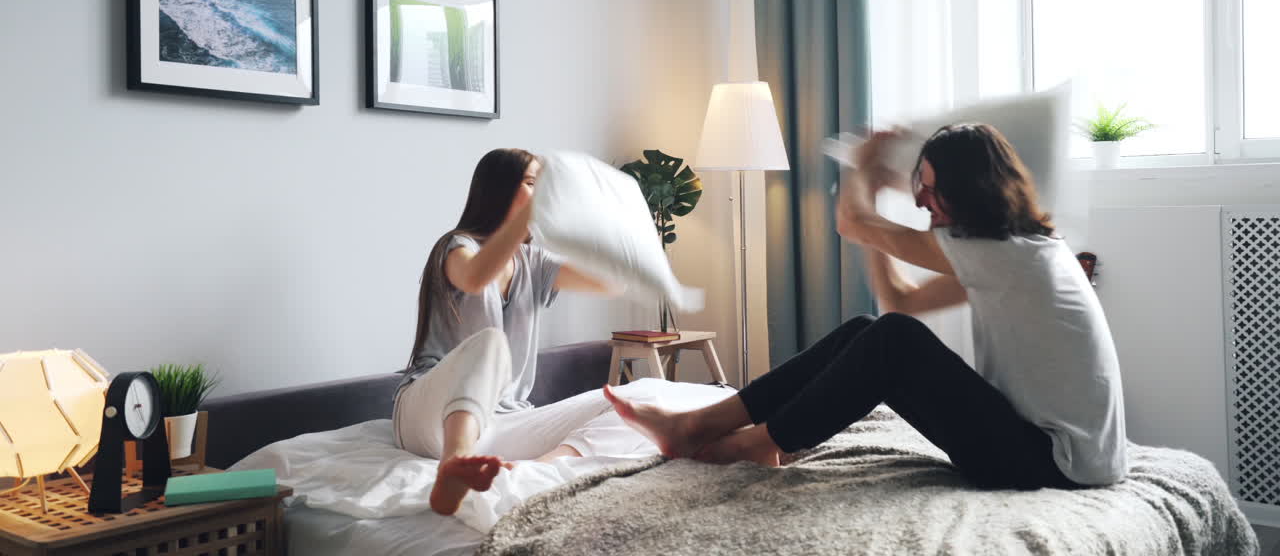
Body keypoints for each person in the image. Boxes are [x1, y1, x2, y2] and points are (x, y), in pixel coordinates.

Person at [605, 124, 1127, 490]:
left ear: (965, 189)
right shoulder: (1015, 254)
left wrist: (863, 172)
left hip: (1053, 467)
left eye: (926, 185)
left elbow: (852, 225)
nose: (920, 199)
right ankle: (715, 428)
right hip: (1052, 456)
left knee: (892, 337)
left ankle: (744, 441)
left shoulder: (1004, 254)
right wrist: (874, 211)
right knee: (871, 329)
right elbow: (900, 301)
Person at [395, 148, 644, 515]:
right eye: (532, 184)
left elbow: (615, 282)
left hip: (503, 421)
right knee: (491, 343)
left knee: (636, 404)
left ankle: (533, 469)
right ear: (499, 191)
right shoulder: (456, 248)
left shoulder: (534, 261)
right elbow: (477, 276)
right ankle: (453, 466)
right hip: (428, 416)